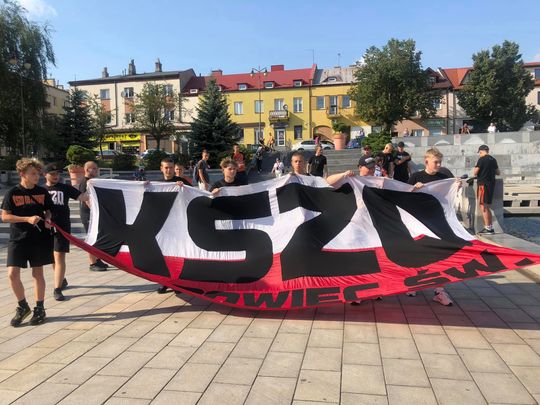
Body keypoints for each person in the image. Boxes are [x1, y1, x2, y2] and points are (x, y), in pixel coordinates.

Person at [1, 158, 54, 326]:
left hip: (39, 238)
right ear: (22, 174)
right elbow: (5, 217)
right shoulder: (12, 193)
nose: (37, 176)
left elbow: (48, 210)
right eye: (33, 174)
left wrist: (48, 219)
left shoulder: (42, 192)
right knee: (12, 274)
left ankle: (40, 309)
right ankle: (23, 306)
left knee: (38, 274)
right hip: (18, 239)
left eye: (38, 173)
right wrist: (26, 219)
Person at [408, 148, 455, 306]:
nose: (439, 165)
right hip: (418, 222)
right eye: (436, 162)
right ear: (426, 161)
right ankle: (414, 284)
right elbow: (404, 195)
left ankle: (439, 290)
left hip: (437, 222)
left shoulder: (444, 177)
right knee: (417, 254)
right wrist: (414, 188)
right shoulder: (416, 176)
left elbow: (449, 194)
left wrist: (456, 186)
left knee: (438, 255)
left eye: (440, 162)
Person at [43, 163, 89, 301]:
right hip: (46, 227)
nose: (56, 176)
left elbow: (83, 197)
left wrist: (93, 185)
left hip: (62, 227)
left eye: (57, 173)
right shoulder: (41, 190)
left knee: (59, 255)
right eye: (52, 174)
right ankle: (61, 279)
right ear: (45, 175)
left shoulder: (65, 188)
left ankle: (57, 289)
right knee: (52, 256)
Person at [155, 158, 192, 294]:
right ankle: (165, 282)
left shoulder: (181, 182)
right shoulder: (156, 184)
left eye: (171, 167)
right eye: (166, 167)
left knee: (178, 254)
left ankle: (178, 283)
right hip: (162, 225)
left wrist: (184, 189)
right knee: (163, 254)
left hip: (179, 224)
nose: (169, 170)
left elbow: (194, 196)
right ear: (161, 169)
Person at [79, 161, 108, 271]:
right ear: (87, 170)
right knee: (91, 238)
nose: (96, 170)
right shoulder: (85, 182)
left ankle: (97, 259)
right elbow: (86, 200)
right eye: (94, 168)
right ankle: (92, 263)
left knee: (97, 237)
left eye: (96, 168)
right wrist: (96, 211)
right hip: (88, 214)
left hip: (93, 214)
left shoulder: (91, 181)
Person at [474, 144, 500, 234]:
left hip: (483, 185)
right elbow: (498, 172)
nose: (479, 154)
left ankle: (488, 228)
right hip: (491, 185)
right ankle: (489, 227)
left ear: (481, 151)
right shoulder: (493, 159)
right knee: (487, 206)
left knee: (483, 206)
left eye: (479, 153)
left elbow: (475, 172)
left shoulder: (481, 159)